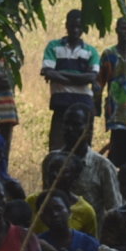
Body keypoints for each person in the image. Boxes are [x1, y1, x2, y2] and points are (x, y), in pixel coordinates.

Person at [40, 10, 101, 152]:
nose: (75, 30)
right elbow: (48, 72)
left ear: (83, 28)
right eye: (72, 26)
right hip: (61, 104)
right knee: (57, 146)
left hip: (84, 106)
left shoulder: (91, 51)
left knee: (83, 147)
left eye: (79, 27)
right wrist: (80, 78)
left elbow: (92, 77)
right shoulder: (53, 46)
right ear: (66, 25)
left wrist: (60, 73)